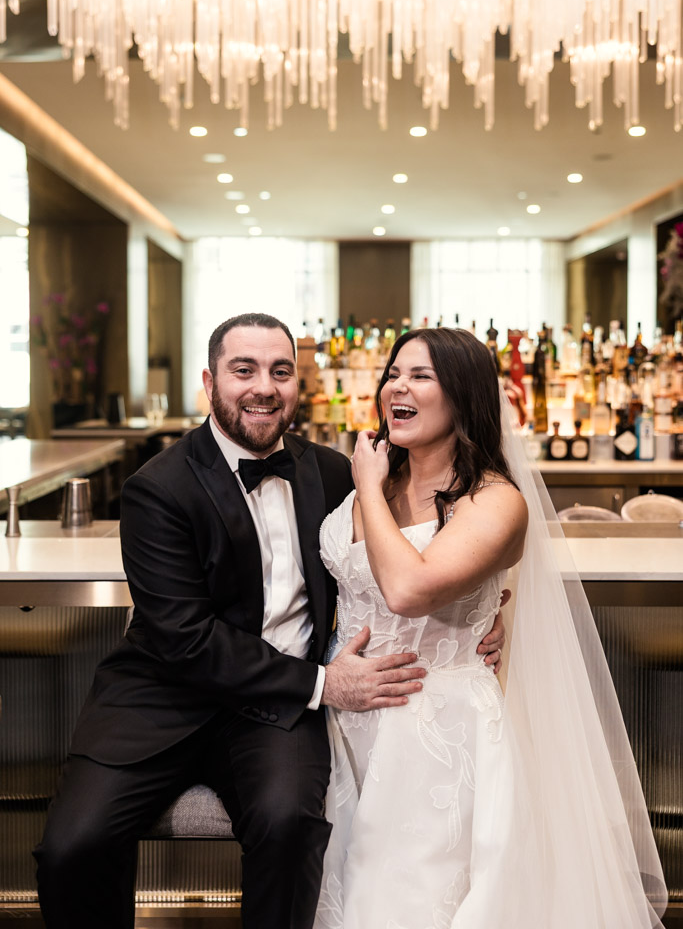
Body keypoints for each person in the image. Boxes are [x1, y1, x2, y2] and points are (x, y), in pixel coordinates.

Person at [33, 313, 505, 929]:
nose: (264, 387)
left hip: (276, 714)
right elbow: (185, 638)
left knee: (291, 827)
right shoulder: (157, 488)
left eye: (280, 372)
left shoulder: (336, 473)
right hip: (163, 702)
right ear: (211, 383)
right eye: (243, 370)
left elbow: (423, 551)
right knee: (72, 849)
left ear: (297, 386)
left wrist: (489, 612)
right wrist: (323, 684)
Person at [313, 326, 668, 929]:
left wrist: (367, 487)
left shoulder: (494, 499)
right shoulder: (373, 476)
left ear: (464, 396)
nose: (398, 386)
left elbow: (406, 589)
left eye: (421, 376)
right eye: (393, 374)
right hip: (342, 728)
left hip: (436, 738)